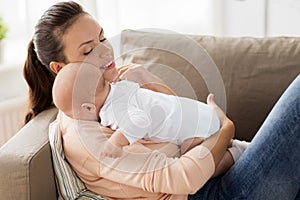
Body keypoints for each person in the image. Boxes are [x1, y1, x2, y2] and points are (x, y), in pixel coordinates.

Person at [23, 1, 300, 199]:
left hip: (216, 162)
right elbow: (185, 178)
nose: (105, 53)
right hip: (213, 191)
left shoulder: (122, 77)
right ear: (60, 68)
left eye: (103, 38)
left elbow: (179, 118)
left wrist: (135, 78)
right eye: (88, 51)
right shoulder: (86, 139)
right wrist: (226, 128)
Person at [52, 62, 222, 157]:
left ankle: (233, 154)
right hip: (198, 113)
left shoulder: (112, 111)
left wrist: (116, 142)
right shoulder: (118, 88)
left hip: (194, 129)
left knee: (204, 162)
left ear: (88, 107)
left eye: (71, 115)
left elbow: (141, 120)